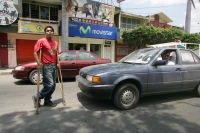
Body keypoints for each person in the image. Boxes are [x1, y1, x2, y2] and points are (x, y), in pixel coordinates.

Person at [32, 26, 59, 107]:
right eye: (47, 30)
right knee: (49, 84)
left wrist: (58, 63)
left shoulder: (56, 43)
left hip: (54, 65)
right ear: (45, 32)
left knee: (53, 85)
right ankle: (37, 96)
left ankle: (47, 101)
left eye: (51, 30)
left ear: (53, 33)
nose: (49, 32)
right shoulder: (41, 41)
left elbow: (56, 54)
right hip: (46, 66)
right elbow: (35, 52)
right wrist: (38, 62)